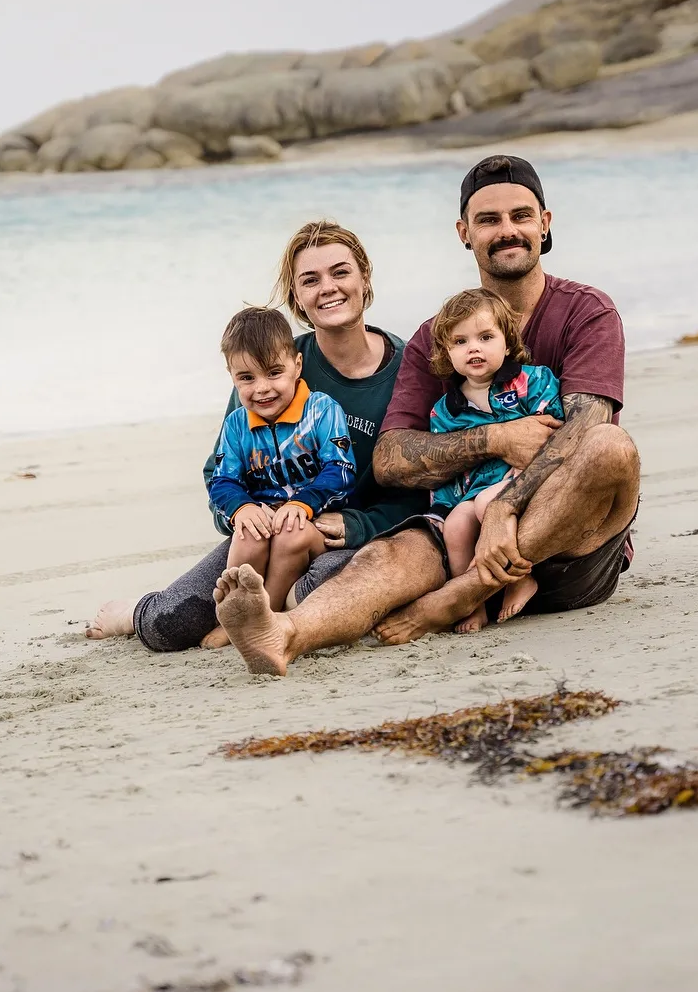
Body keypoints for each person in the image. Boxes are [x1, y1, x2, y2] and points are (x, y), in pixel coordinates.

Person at [213, 154, 641, 675]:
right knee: (386, 556)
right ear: (464, 233)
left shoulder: (586, 313)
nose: (506, 230)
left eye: (520, 216)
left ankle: (468, 593)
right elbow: (392, 457)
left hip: (571, 548)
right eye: (488, 220)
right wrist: (494, 440)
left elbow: (586, 429)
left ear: (544, 224)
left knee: (611, 448)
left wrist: (505, 509)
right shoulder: (437, 335)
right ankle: (284, 633)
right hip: (460, 534)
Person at [86, 220, 422, 649]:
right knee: (168, 627)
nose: (328, 288)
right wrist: (242, 515)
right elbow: (222, 473)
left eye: (340, 272)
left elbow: (425, 494)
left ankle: (265, 621)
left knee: (313, 595)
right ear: (296, 296)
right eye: (310, 280)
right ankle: (137, 611)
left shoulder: (410, 369)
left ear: (364, 278)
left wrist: (359, 524)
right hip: (265, 533)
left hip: (347, 536)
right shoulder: (271, 365)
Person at [424, 288, 563, 634]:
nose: (473, 348)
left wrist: (527, 468)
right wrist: (443, 508)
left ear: (506, 341)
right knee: (456, 524)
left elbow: (553, 427)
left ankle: (520, 578)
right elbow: (449, 469)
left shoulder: (532, 381)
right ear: (447, 352)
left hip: (528, 477)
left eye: (486, 337)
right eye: (460, 341)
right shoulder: (446, 411)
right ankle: (471, 600)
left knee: (490, 503)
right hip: (477, 489)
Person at [209, 307, 356, 613]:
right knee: (249, 535)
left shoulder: (320, 410)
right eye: (246, 378)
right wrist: (242, 507)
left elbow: (340, 469)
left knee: (292, 533)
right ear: (231, 377)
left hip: (313, 525)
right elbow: (221, 480)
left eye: (274, 372)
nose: (262, 388)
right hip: (265, 521)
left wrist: (302, 504)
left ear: (296, 365)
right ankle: (234, 612)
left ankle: (267, 615)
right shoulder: (237, 424)